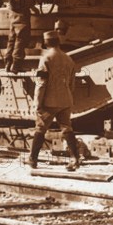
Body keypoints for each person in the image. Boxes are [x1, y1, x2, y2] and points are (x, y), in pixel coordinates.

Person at [28, 30, 79, 171]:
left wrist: (37, 102)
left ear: (46, 42)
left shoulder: (46, 58)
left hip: (49, 102)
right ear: (58, 41)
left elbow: (41, 83)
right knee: (67, 128)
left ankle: (33, 160)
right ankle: (75, 159)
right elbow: (72, 83)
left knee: (40, 128)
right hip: (66, 100)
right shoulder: (69, 59)